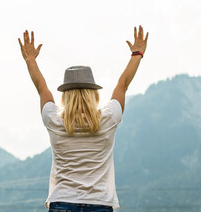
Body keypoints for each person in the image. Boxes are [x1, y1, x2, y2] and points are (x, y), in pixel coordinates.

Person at [18, 25, 148, 212]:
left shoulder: (54, 120)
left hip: (62, 202)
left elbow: (41, 88)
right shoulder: (108, 118)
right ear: (93, 93)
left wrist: (30, 59)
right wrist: (137, 54)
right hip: (100, 203)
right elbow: (123, 84)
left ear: (65, 96)